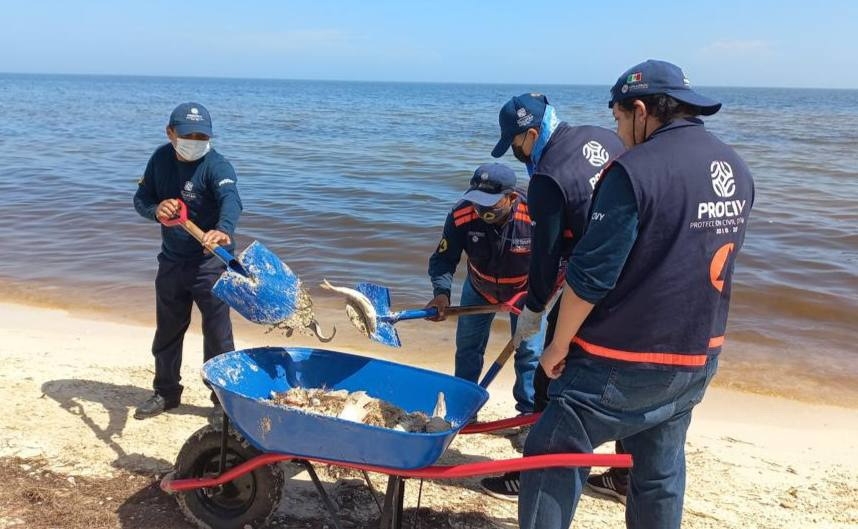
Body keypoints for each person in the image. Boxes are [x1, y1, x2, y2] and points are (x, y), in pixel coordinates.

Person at [517, 60, 755, 529]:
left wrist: (557, 347)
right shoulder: (736, 165)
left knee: (550, 452)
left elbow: (592, 276)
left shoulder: (633, 170)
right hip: (696, 356)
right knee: (659, 468)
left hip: (621, 363)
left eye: (620, 120)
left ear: (641, 110)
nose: (619, 132)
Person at [479, 93, 624, 500]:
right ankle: (627, 478)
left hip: (588, 281)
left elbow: (544, 257)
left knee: (550, 374)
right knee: (619, 375)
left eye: (517, 144)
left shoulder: (547, 178)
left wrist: (535, 307)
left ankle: (533, 477)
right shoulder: (602, 137)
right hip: (632, 275)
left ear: (531, 132)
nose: (517, 153)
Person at [132, 102, 242, 422]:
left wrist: (223, 230)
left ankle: (221, 399)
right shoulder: (160, 159)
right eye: (188, 134)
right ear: (171, 133)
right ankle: (166, 392)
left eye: (201, 135)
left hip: (211, 263)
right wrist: (156, 210)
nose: (195, 140)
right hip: (171, 262)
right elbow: (141, 199)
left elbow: (231, 200)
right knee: (168, 329)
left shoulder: (217, 166)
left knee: (218, 334)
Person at [426, 163, 544, 413]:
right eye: (477, 201)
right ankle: (463, 410)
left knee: (530, 355)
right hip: (479, 287)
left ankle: (528, 413)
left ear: (511, 197)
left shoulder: (536, 215)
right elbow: (443, 259)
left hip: (526, 293)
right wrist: (441, 294)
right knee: (468, 350)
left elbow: (557, 258)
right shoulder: (461, 214)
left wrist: (540, 297)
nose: (481, 209)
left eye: (490, 203)